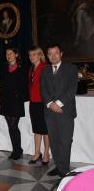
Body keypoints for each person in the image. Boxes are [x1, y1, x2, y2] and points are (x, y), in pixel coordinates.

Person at [40, 43, 78, 177]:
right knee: (54, 141)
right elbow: (43, 89)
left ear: (61, 54)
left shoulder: (71, 68)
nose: (53, 56)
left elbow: (72, 89)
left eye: (56, 53)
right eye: (50, 54)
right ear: (47, 56)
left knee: (65, 141)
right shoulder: (44, 70)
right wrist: (51, 104)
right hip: (50, 112)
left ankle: (64, 169)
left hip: (65, 112)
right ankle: (59, 166)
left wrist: (58, 103)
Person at [0, 48, 28, 160]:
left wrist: (21, 97)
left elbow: (25, 86)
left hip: (16, 102)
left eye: (11, 53)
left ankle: (18, 149)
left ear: (16, 54)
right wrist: (1, 101)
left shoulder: (22, 68)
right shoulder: (3, 68)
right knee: (10, 127)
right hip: (6, 101)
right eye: (7, 53)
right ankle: (16, 149)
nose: (8, 55)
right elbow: (1, 85)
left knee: (13, 126)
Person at [28, 46, 50, 165]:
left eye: (34, 54)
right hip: (33, 103)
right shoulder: (31, 68)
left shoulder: (45, 68)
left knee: (45, 130)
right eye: (30, 55)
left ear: (40, 55)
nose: (32, 57)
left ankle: (46, 153)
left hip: (43, 103)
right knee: (37, 129)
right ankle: (37, 153)